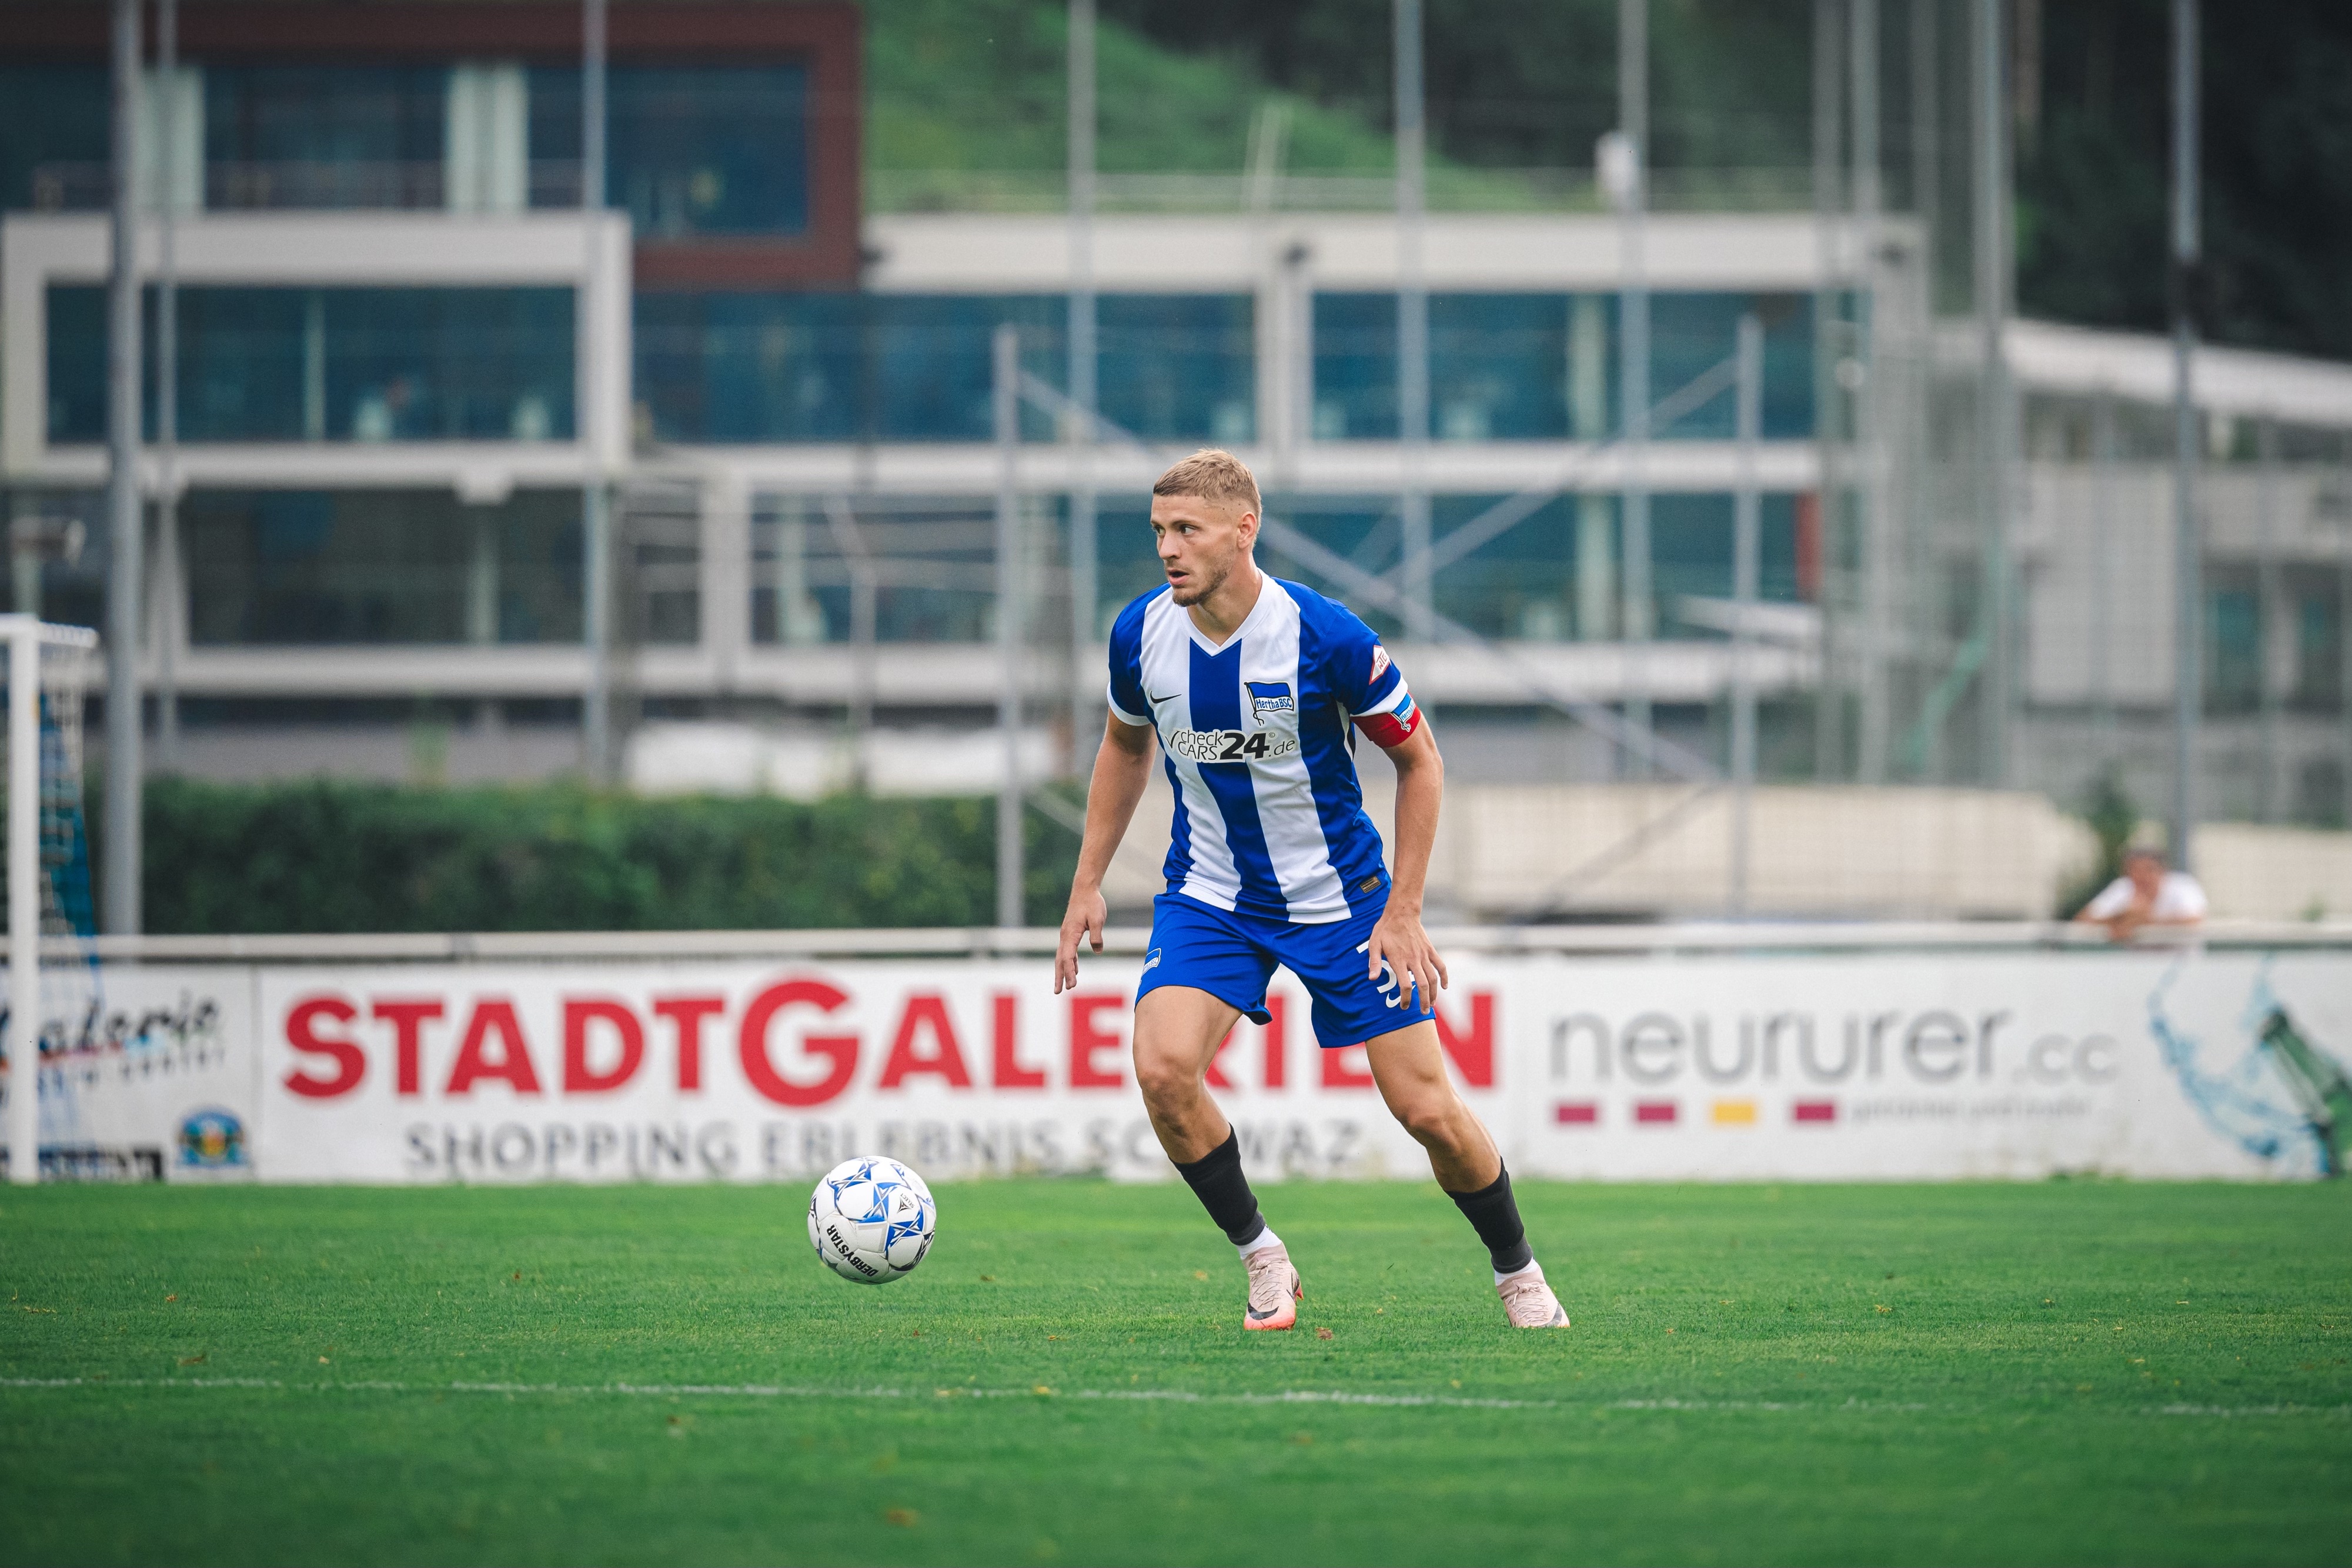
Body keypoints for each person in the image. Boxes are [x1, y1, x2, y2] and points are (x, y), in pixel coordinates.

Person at [1053, 449, 1567, 1332]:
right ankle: (1264, 1258)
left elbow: (1421, 761)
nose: (1168, 549)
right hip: (1211, 894)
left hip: (1344, 900)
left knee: (1427, 1111)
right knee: (1162, 1069)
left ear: (1243, 529)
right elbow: (1124, 745)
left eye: (1187, 530)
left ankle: (1518, 1270)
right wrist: (1087, 882)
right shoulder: (1140, 633)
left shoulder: (1326, 635)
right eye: (1158, 532)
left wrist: (1403, 909)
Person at [2073, 838, 2207, 942]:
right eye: (2134, 870)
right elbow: (2084, 919)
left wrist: (2141, 922)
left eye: (2148, 870)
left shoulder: (2183, 886)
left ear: (2163, 870)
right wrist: (2121, 918)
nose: (2141, 877)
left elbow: (2193, 921)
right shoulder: (2123, 888)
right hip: (2138, 970)